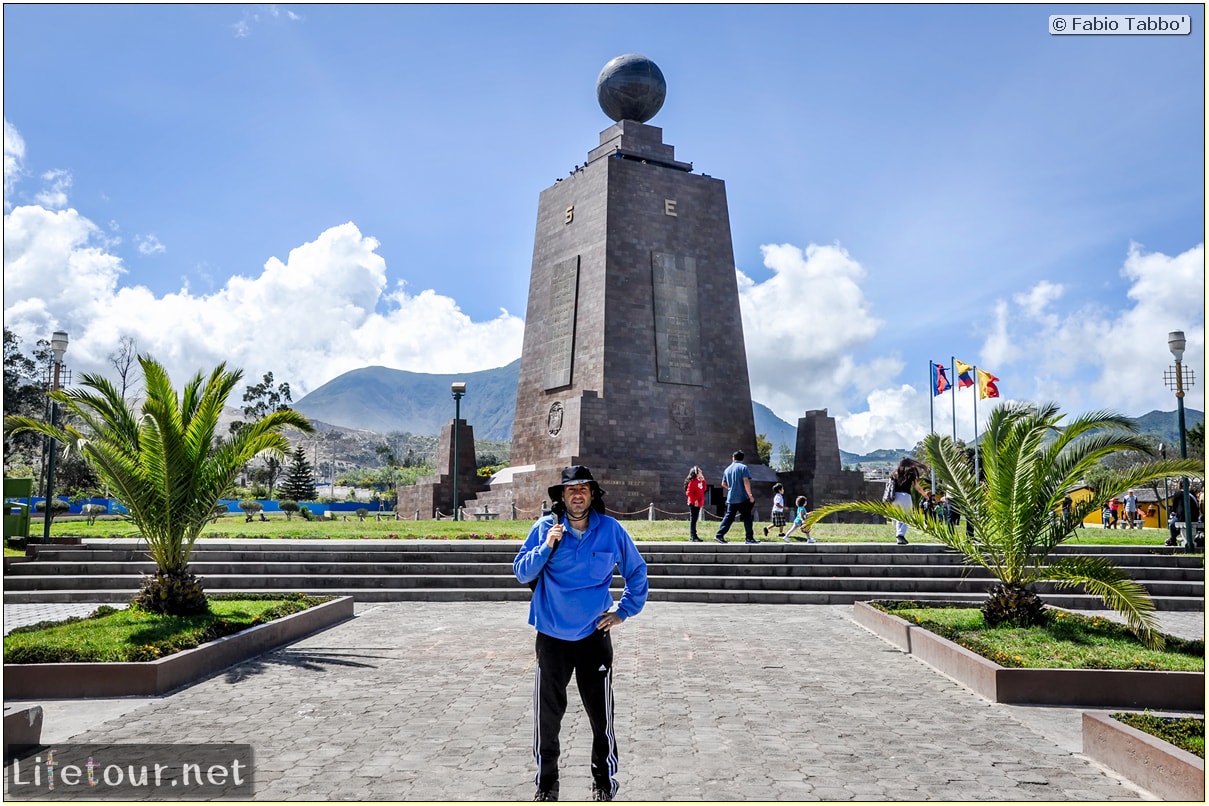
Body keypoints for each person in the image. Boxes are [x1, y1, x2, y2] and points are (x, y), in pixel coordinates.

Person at [514, 466, 649, 802]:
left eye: (583, 489)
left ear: (592, 495)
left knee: (601, 716)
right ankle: (547, 784)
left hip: (593, 637)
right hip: (551, 637)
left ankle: (603, 783)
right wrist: (546, 546)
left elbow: (637, 571)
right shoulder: (544, 528)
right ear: (561, 496)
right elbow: (521, 572)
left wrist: (623, 611)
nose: (577, 495)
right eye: (570, 490)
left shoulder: (611, 530)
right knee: (548, 716)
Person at [714, 450, 758, 544]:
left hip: (731, 497)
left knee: (729, 517)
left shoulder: (727, 469)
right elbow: (746, 481)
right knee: (747, 517)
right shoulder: (743, 467)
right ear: (742, 459)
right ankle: (749, 538)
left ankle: (719, 535)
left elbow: (723, 484)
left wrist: (730, 488)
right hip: (742, 497)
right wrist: (750, 495)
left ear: (733, 458)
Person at [888, 458, 927, 545]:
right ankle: (900, 535)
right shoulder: (910, 474)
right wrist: (925, 494)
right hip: (905, 496)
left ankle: (899, 537)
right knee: (908, 517)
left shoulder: (894, 474)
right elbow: (917, 487)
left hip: (894, 498)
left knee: (899, 517)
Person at [685, 466, 707, 542]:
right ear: (697, 473)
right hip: (693, 503)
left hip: (699, 503)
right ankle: (693, 536)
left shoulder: (699, 481)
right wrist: (695, 500)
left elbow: (704, 489)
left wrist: (703, 481)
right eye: (700, 471)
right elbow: (689, 492)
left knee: (695, 520)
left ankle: (694, 535)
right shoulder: (692, 481)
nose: (702, 472)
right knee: (693, 520)